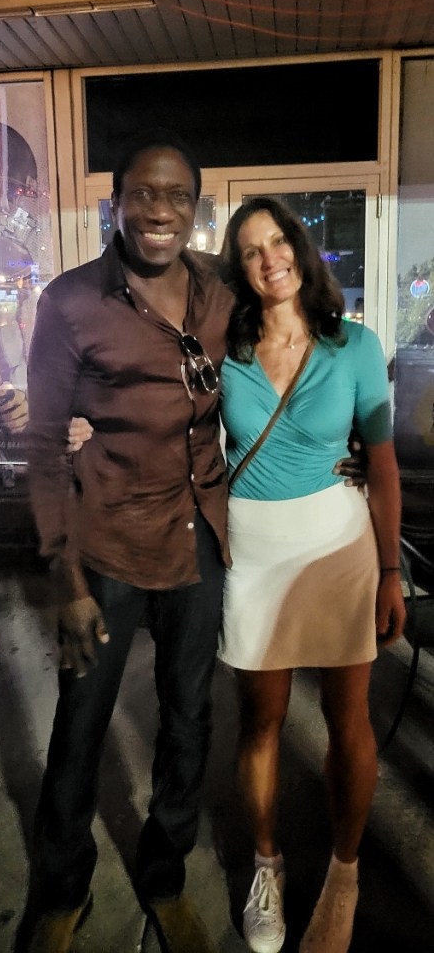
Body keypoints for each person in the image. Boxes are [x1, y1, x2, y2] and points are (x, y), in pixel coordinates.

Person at [16, 130, 364, 953]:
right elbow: (42, 444)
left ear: (195, 208)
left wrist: (340, 431)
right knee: (80, 727)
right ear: (116, 203)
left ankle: (164, 880)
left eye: (176, 196)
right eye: (143, 193)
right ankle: (61, 893)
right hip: (106, 545)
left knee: (188, 722)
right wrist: (64, 578)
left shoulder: (218, 289)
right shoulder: (70, 302)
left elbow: (297, 327)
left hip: (202, 540)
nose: (159, 210)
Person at [217, 197, 406, 953]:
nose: (270, 259)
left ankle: (344, 872)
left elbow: (382, 467)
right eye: (250, 250)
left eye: (278, 241)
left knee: (346, 718)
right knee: (259, 720)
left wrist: (390, 571)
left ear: (299, 246)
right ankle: (267, 864)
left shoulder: (354, 345)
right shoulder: (224, 348)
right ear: (238, 269)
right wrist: (84, 423)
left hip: (337, 546)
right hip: (254, 551)